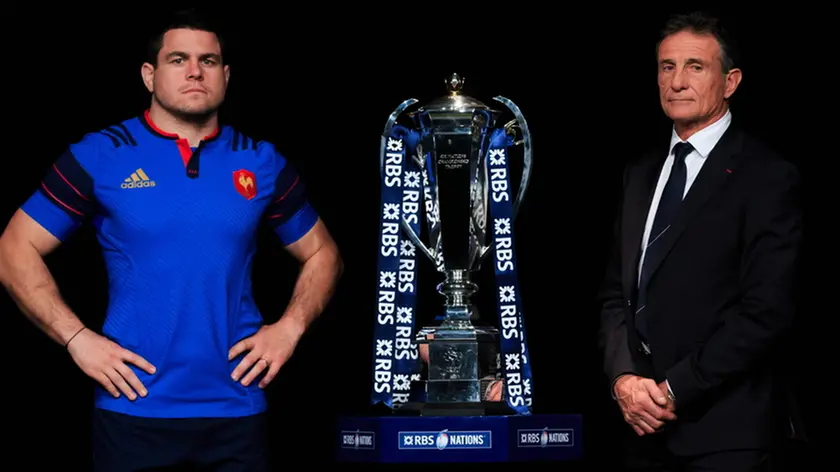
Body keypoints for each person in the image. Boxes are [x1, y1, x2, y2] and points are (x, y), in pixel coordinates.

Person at [0, 9, 342, 472]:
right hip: (133, 411)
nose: (195, 71)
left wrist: (290, 328)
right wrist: (77, 338)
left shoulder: (260, 161)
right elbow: (14, 248)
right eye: (178, 59)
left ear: (225, 75)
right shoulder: (102, 154)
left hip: (236, 414)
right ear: (149, 75)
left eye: (209, 60)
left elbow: (323, 254)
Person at [597, 11, 803, 471]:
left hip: (726, 435)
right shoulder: (639, 173)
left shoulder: (766, 176)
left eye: (695, 66)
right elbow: (617, 293)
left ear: (730, 82)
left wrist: (673, 389)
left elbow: (766, 311)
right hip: (639, 427)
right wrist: (624, 379)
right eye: (667, 66)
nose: (677, 81)